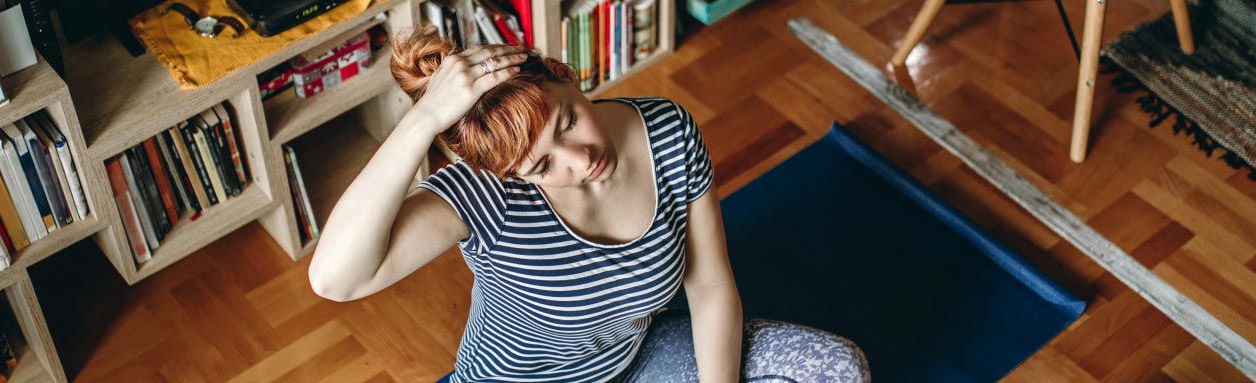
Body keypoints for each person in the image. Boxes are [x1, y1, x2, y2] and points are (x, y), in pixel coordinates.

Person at [306, 25, 868, 383]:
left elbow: (711, 285)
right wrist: (423, 121)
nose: (580, 159)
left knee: (838, 370)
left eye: (569, 121)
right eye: (542, 166)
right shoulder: (486, 194)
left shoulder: (668, 131)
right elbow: (335, 279)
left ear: (567, 79)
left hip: (635, 361)